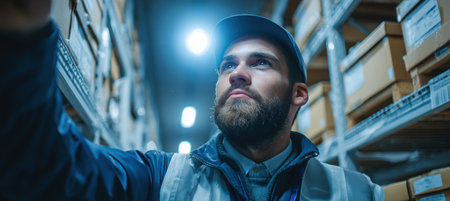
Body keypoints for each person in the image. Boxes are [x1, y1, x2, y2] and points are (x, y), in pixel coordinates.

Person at [0, 0, 383, 200]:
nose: (237, 72)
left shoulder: (357, 192)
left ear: (299, 94)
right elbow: (44, 168)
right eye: (227, 65)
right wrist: (21, 35)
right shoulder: (160, 179)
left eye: (261, 63)